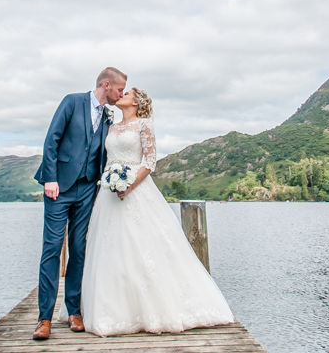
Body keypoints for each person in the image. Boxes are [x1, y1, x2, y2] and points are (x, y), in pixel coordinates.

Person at [81, 87, 235, 336]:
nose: (121, 94)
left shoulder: (144, 125)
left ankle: (157, 308)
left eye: (128, 93)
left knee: (146, 247)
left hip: (138, 190)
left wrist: (129, 185)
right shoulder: (111, 126)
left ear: (137, 102)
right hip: (109, 194)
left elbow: (149, 161)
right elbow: (107, 159)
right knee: (109, 249)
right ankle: (113, 309)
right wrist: (110, 181)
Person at [31, 67, 127, 341]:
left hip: (88, 188)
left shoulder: (109, 115)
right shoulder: (72, 101)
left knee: (78, 249)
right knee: (51, 250)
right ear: (106, 85)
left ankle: (74, 311)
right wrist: (50, 178)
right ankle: (44, 318)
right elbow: (52, 140)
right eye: (119, 90)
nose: (120, 95)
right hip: (58, 188)